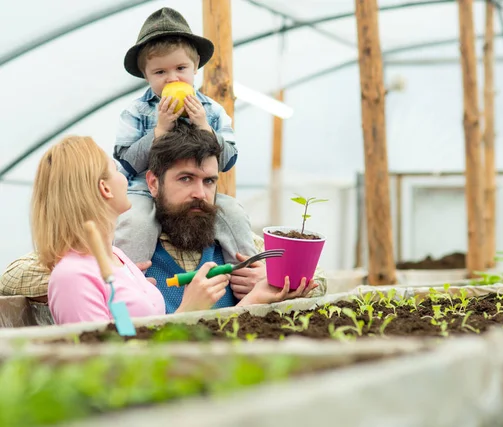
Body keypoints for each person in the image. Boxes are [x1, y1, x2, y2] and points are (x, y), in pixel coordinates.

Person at [30, 135, 316, 325]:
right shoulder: (73, 276)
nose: (201, 194)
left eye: (209, 182)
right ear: (104, 187)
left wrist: (256, 297)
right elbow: (105, 367)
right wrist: (189, 310)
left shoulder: (119, 258)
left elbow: (129, 335)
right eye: (186, 179)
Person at [113, 6, 255, 266]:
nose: (172, 78)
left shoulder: (211, 111)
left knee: (233, 212)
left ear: (195, 67)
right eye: (160, 72)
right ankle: (127, 283)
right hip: (143, 192)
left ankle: (249, 275)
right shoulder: (136, 111)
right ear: (145, 75)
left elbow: (228, 161)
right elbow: (125, 162)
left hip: (197, 191)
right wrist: (160, 131)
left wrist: (203, 125)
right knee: (136, 221)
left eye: (180, 68)